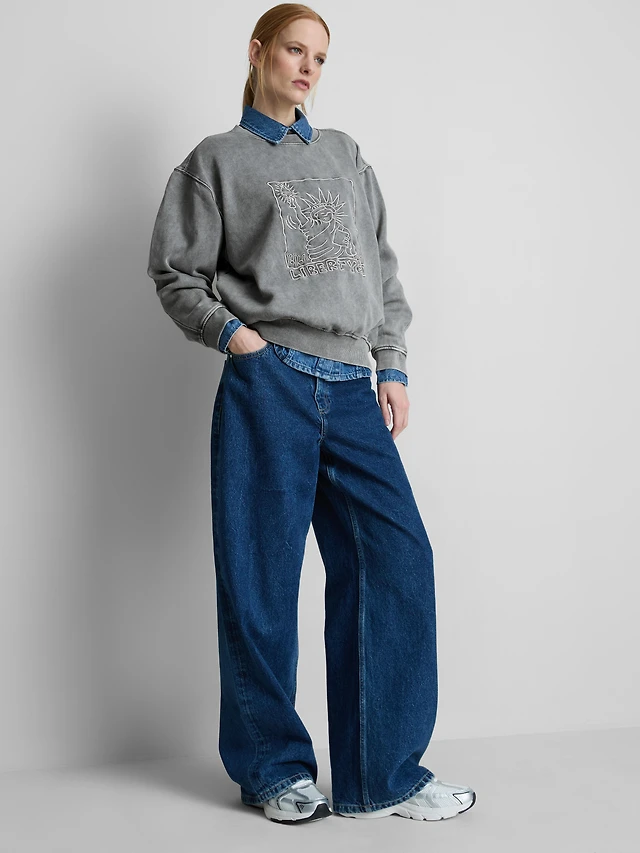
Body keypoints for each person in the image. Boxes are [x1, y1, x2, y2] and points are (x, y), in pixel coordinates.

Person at [146, 2, 476, 826]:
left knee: (396, 559)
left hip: (353, 384)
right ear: (259, 51)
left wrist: (391, 362)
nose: (307, 68)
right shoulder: (214, 162)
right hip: (271, 381)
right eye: (295, 49)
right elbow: (176, 271)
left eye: (320, 58)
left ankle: (383, 774)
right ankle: (273, 770)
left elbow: (382, 272)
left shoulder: (345, 155)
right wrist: (239, 340)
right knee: (260, 578)